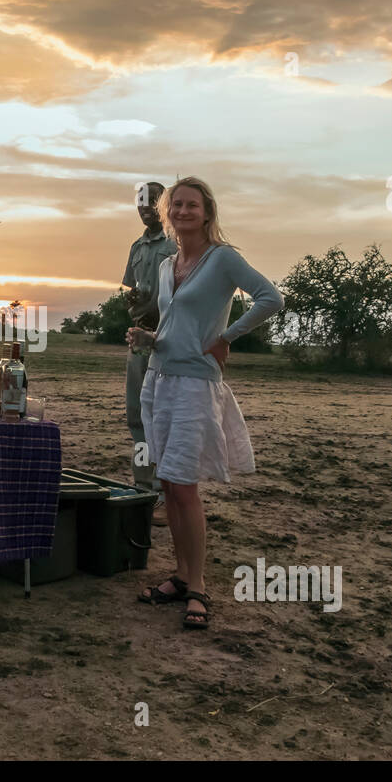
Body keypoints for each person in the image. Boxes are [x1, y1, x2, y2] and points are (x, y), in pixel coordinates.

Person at [126, 177, 283, 631]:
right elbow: (175, 326)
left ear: (207, 212)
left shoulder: (223, 259)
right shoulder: (166, 264)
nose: (182, 211)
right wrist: (149, 338)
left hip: (195, 385)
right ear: (168, 211)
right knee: (169, 485)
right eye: (176, 204)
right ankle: (178, 575)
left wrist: (225, 338)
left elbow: (271, 298)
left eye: (192, 204)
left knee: (185, 486)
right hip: (159, 380)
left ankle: (196, 586)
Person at [122, 181, 178, 525]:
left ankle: (163, 494)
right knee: (136, 415)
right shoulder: (137, 247)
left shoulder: (177, 242)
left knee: (162, 416)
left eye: (151, 202)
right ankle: (144, 489)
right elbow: (133, 290)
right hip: (139, 341)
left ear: (164, 204)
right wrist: (134, 308)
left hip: (169, 340)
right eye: (140, 202)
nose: (144, 208)